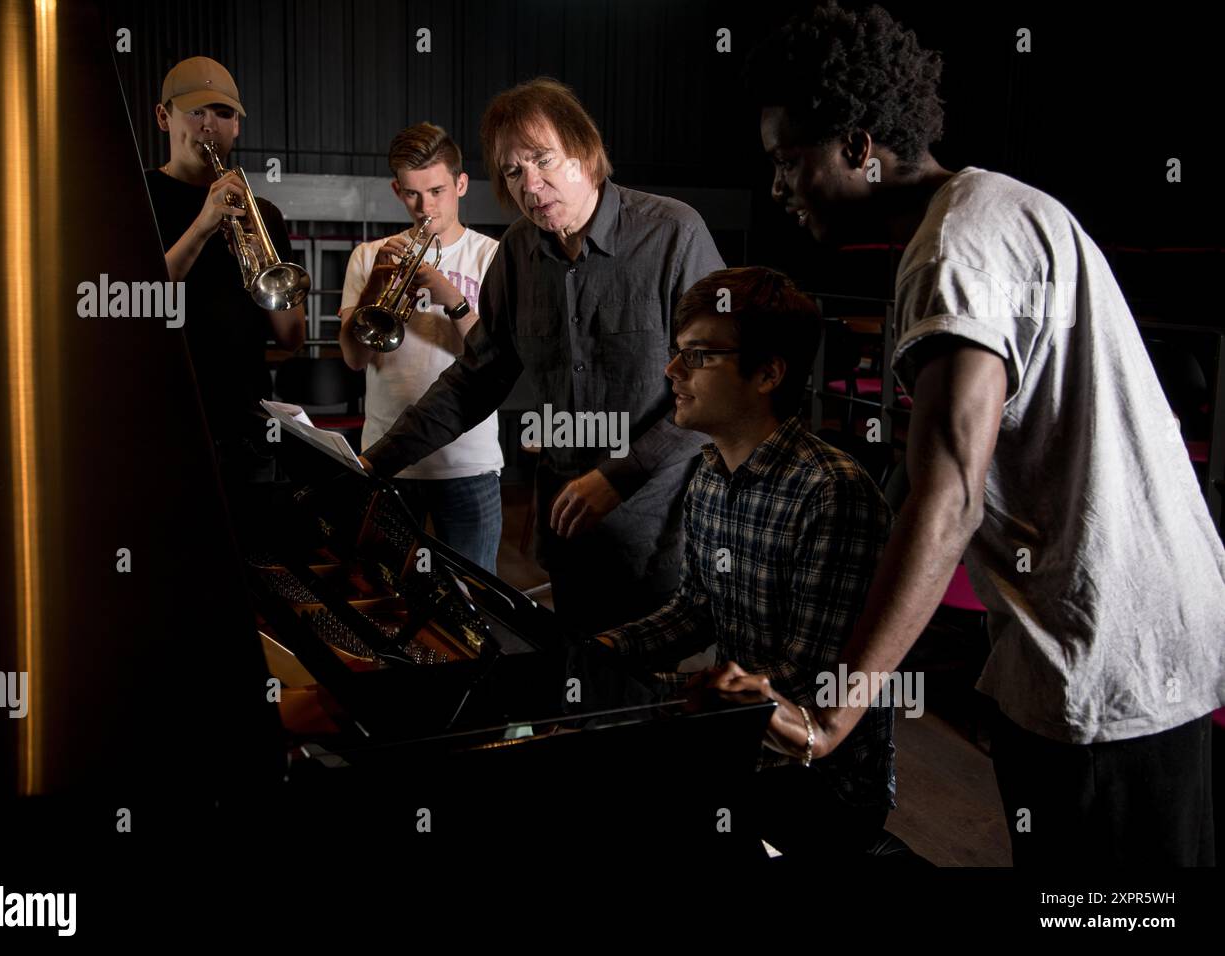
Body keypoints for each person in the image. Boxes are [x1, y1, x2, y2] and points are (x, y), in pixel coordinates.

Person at [722, 1, 1224, 866]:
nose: (778, 188)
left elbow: (949, 492)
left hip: (1106, 661)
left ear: (855, 148)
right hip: (1136, 641)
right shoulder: (995, 209)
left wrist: (831, 713)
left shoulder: (954, 246)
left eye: (787, 161)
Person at [357, 78, 725, 635]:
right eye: (512, 171)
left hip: (662, 527)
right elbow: (475, 378)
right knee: (578, 686)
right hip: (567, 527)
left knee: (642, 706)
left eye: (543, 160)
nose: (531, 185)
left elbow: (718, 386)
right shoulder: (516, 257)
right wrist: (373, 463)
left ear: (585, 151)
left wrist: (619, 476)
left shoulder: (675, 234)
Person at [597, 266, 894, 855]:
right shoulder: (709, 471)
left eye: (699, 356)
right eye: (679, 353)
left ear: (767, 373)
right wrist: (603, 653)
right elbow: (696, 610)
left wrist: (652, 696)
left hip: (817, 777)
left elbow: (811, 677)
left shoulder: (832, 491)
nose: (672, 371)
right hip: (735, 739)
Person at [338, 123, 504, 573]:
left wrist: (449, 294)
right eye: (412, 194)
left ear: (461, 184)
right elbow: (354, 359)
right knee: (386, 597)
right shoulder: (368, 255)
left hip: (468, 462)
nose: (425, 207)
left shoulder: (492, 257)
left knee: (475, 606)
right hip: (388, 460)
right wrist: (376, 284)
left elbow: (497, 357)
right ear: (397, 190)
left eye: (437, 191)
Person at [145, 55, 305, 496]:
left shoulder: (262, 214)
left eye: (223, 113)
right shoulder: (139, 198)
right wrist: (202, 226)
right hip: (165, 420)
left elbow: (291, 337)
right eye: (195, 111)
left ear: (236, 126)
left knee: (250, 558)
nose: (209, 125)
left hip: (246, 424)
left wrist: (256, 265)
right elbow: (138, 304)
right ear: (164, 117)